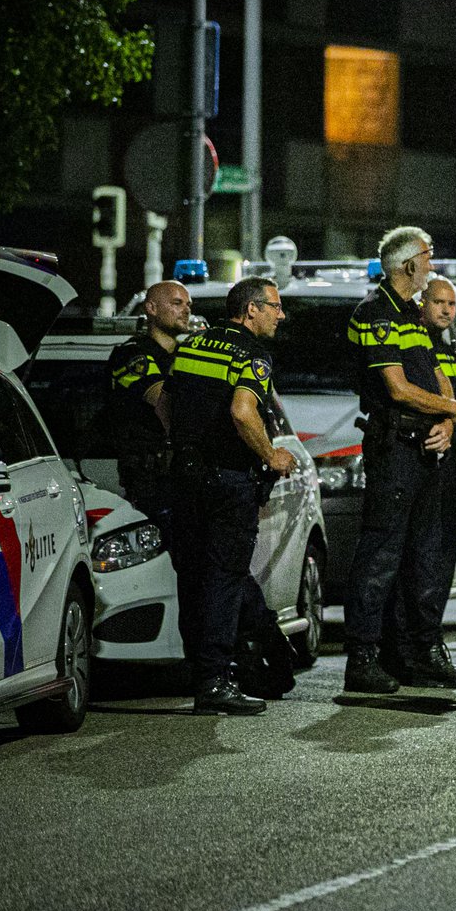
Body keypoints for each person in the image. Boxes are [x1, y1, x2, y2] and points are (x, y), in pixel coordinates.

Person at [162, 277, 299, 715]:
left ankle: (197, 671)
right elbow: (243, 412)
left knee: (193, 577)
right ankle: (216, 681)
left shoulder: (193, 346)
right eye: (275, 307)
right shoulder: (253, 354)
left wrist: (185, 444)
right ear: (251, 309)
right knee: (225, 580)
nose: (281, 315)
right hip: (228, 480)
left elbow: (166, 402)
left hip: (184, 477)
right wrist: (271, 454)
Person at [343, 227, 456, 694]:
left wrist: (448, 421)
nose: (432, 266)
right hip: (394, 448)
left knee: (421, 557)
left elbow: (439, 378)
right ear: (409, 265)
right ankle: (364, 657)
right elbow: (396, 388)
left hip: (425, 447)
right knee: (381, 555)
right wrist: (450, 411)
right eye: (428, 259)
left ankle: (410, 655)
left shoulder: (413, 317)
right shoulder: (375, 314)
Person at [393, 277, 456, 688]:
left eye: (452, 303)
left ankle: (419, 649)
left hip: (448, 471)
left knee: (438, 564)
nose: (446, 310)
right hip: (426, 467)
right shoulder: (417, 344)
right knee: (424, 564)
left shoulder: (446, 346)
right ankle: (422, 651)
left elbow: (454, 402)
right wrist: (447, 417)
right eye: (438, 302)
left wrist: (452, 418)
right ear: (421, 303)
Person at [107, 281, 193, 549]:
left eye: (188, 304)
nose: (186, 310)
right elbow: (162, 401)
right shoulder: (132, 355)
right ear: (152, 308)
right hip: (149, 481)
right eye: (177, 303)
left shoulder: (189, 354)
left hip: (187, 478)